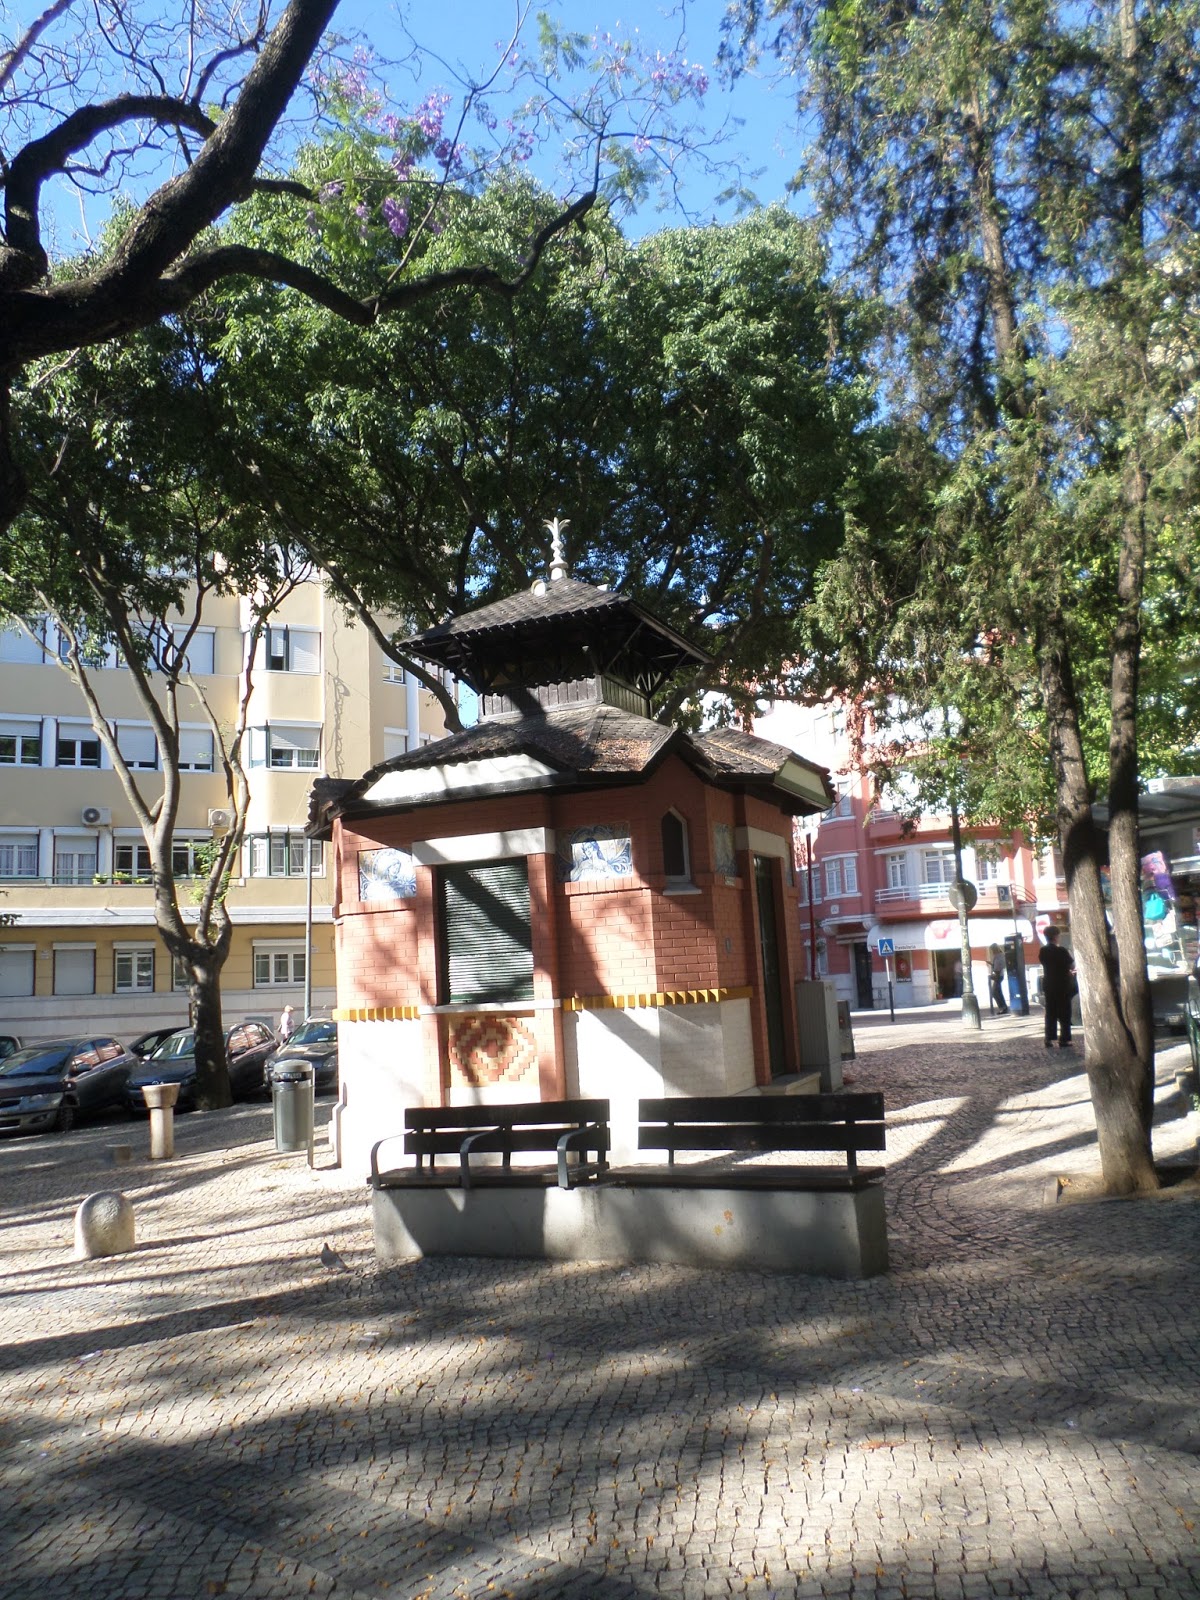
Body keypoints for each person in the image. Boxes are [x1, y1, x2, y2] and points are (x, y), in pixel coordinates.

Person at [1039, 926, 1076, 1048]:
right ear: (1056, 937)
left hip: (1049, 984)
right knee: (1065, 1012)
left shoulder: (1043, 951)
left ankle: (1049, 1038)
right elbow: (1071, 965)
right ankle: (1064, 1039)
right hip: (1062, 984)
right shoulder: (1062, 951)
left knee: (1050, 1012)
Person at [988, 943, 1009, 1015]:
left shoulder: (998, 956)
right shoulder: (1000, 955)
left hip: (998, 975)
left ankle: (1002, 1007)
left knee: (995, 993)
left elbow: (997, 967)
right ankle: (1004, 1007)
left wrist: (994, 975)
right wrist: (991, 964)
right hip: (1000, 975)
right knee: (998, 992)